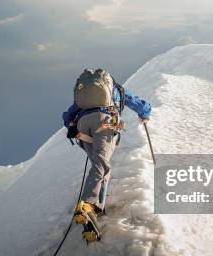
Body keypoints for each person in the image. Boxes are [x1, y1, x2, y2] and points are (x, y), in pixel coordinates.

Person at [62, 69, 151, 226]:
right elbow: (137, 103)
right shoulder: (116, 89)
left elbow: (68, 115)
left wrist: (73, 126)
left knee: (101, 165)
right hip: (105, 122)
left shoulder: (84, 96)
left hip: (83, 128)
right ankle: (87, 203)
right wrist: (145, 114)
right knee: (101, 164)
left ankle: (97, 207)